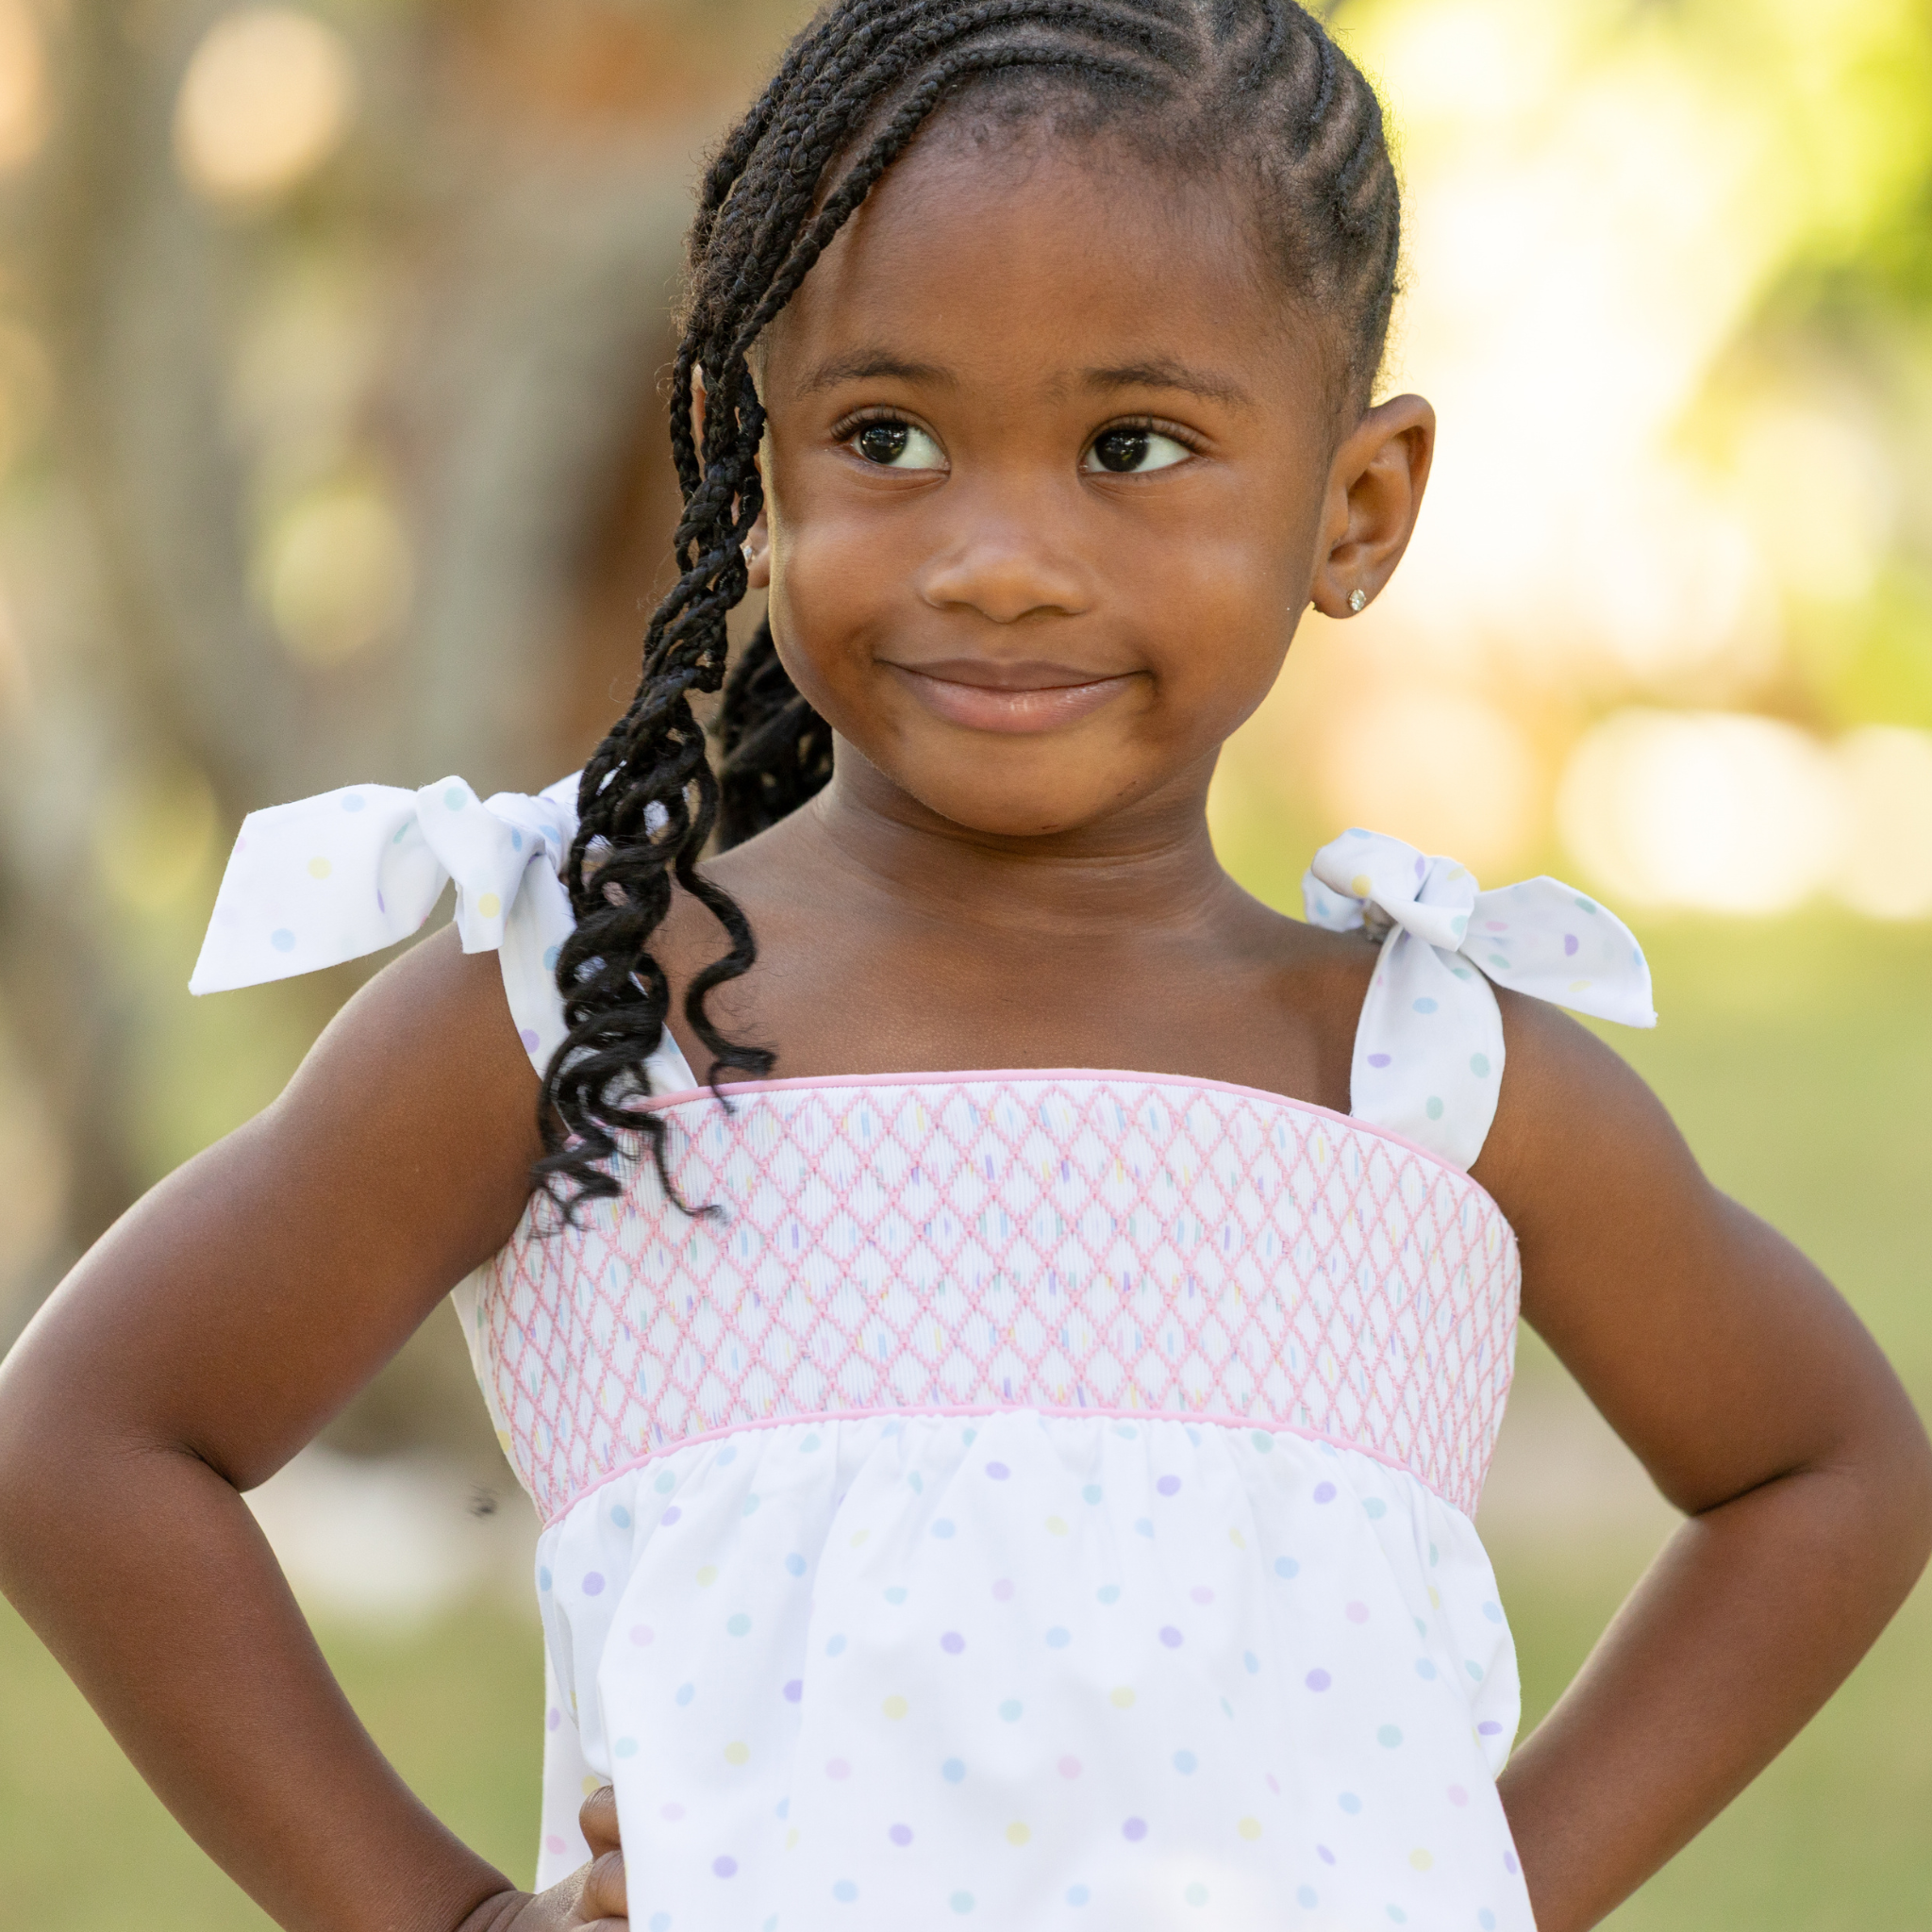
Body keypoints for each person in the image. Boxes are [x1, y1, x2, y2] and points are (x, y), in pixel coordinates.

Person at [3, 4, 1928, 1929]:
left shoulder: (1419, 1074)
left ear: (1356, 511)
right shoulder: (584, 1019)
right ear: (758, 482)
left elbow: (1824, 1470)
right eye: (890, 438)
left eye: (1131, 447)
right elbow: (85, 1441)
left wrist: (1495, 1885)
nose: (1001, 558)